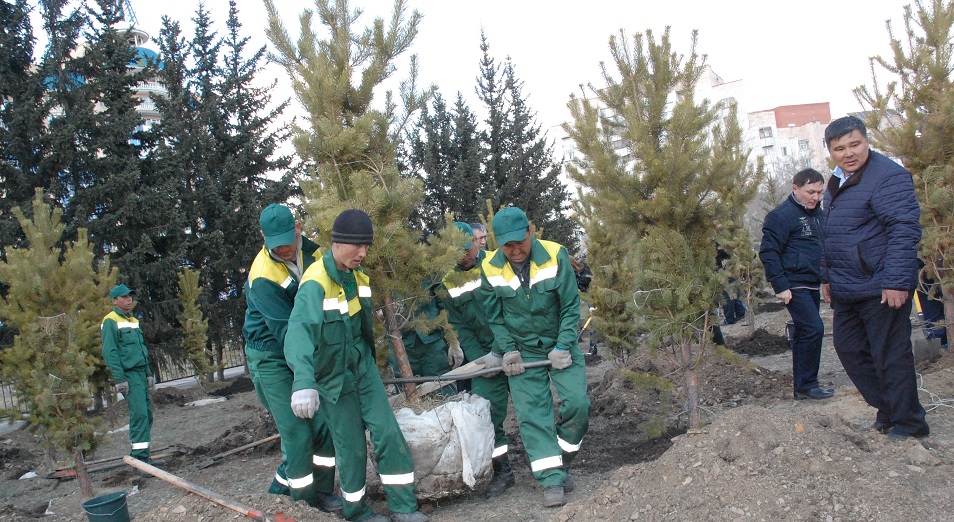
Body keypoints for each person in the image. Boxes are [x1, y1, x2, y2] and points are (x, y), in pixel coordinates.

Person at [284, 209, 427, 522]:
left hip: (362, 369)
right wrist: (303, 381)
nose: (363, 253)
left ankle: (403, 506)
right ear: (337, 242)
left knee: (387, 432)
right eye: (357, 246)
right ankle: (356, 512)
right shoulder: (315, 283)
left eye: (367, 246)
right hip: (334, 379)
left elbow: (359, 330)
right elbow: (298, 333)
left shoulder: (358, 277)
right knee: (350, 448)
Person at [821, 115, 929, 441]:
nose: (848, 153)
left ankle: (910, 423)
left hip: (882, 284)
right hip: (847, 286)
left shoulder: (888, 177)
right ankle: (889, 410)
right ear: (830, 150)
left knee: (891, 355)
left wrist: (896, 281)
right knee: (850, 350)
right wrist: (826, 277)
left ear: (866, 141)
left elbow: (903, 229)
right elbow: (831, 233)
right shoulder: (837, 180)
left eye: (854, 144)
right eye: (839, 148)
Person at [477, 207, 589, 508]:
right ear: (498, 242)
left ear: (530, 232)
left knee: (578, 404)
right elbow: (495, 316)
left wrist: (564, 345)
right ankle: (551, 479)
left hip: (559, 344)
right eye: (507, 245)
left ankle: (562, 460)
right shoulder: (489, 267)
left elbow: (569, 306)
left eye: (519, 242)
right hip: (523, 351)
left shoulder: (555, 256)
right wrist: (508, 348)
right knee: (533, 415)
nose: (515, 250)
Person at [243, 204, 341, 512]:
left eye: (287, 240)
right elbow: (288, 333)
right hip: (271, 356)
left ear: (298, 227)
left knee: (323, 428)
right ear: (263, 237)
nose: (283, 249)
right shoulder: (262, 275)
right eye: (275, 244)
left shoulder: (315, 254)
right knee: (298, 435)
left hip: (306, 349)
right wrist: (307, 375)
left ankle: (322, 492)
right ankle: (301, 506)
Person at [438, 222, 514, 497]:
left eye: (466, 248)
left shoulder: (496, 263)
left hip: (515, 347)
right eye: (457, 251)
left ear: (476, 242)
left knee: (532, 411)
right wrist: (481, 357)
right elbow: (459, 324)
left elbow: (510, 310)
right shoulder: (448, 279)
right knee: (487, 416)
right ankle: (503, 470)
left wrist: (499, 349)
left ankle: (549, 467)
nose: (464, 256)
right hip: (485, 358)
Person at [759, 168, 834, 401]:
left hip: (813, 282)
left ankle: (802, 386)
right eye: (810, 192)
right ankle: (808, 383)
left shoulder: (818, 215)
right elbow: (769, 252)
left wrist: (827, 278)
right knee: (814, 328)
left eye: (819, 192)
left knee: (804, 333)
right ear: (795, 188)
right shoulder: (781, 216)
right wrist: (780, 285)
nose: (815, 197)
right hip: (794, 284)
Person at [101, 284, 161, 467]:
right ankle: (139, 458)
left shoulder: (133, 320)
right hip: (130, 375)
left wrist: (149, 374)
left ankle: (143, 455)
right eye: (124, 297)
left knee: (147, 414)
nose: (129, 299)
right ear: (114, 300)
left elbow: (141, 349)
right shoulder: (110, 321)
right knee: (140, 414)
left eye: (130, 296)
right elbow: (110, 352)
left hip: (141, 373)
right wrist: (120, 379)